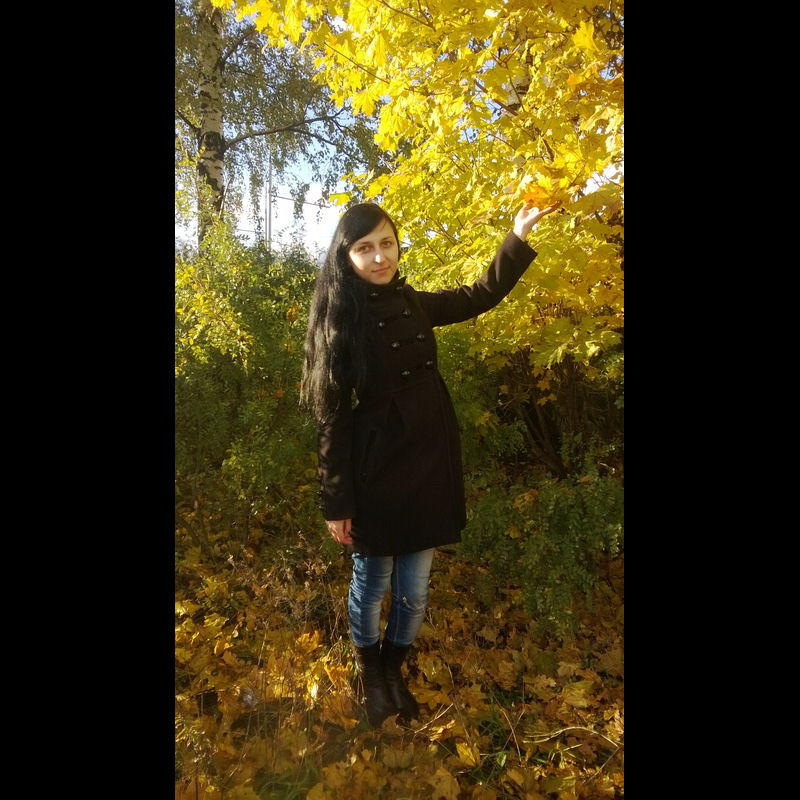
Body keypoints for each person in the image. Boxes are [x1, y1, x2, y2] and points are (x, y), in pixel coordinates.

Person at [300, 199, 559, 728]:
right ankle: (371, 674)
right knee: (372, 585)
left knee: (414, 593)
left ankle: (394, 669)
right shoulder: (339, 324)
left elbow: (479, 295)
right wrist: (337, 501)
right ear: (345, 256)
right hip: (374, 475)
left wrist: (516, 237)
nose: (380, 257)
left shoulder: (414, 303)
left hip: (428, 463)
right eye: (365, 248)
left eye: (387, 244)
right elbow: (333, 421)